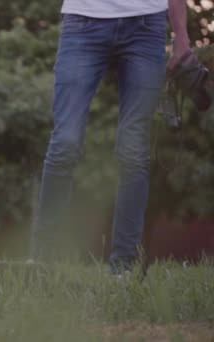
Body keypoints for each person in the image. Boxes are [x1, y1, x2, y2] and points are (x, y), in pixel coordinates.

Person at [30, 0, 193, 274]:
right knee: (65, 142)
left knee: (133, 148)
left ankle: (123, 268)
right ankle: (42, 262)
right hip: (83, 21)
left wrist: (182, 36)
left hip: (146, 25)